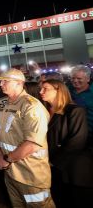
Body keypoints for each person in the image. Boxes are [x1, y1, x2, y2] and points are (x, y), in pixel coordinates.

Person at [0, 68, 55, 207]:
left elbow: (32, 143)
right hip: (10, 173)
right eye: (0, 81)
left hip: (31, 175)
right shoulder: (1, 103)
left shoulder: (32, 106)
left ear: (19, 83)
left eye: (5, 81)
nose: (1, 84)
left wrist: (6, 159)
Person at [40, 79, 89, 207]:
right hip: (49, 165)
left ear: (59, 90)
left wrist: (54, 162)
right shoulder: (43, 111)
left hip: (69, 168)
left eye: (46, 88)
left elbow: (77, 141)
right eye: (41, 88)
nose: (41, 91)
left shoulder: (74, 111)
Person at [69, 65, 93, 145]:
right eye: (73, 78)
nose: (75, 81)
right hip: (73, 135)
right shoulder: (68, 90)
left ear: (88, 79)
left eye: (79, 78)